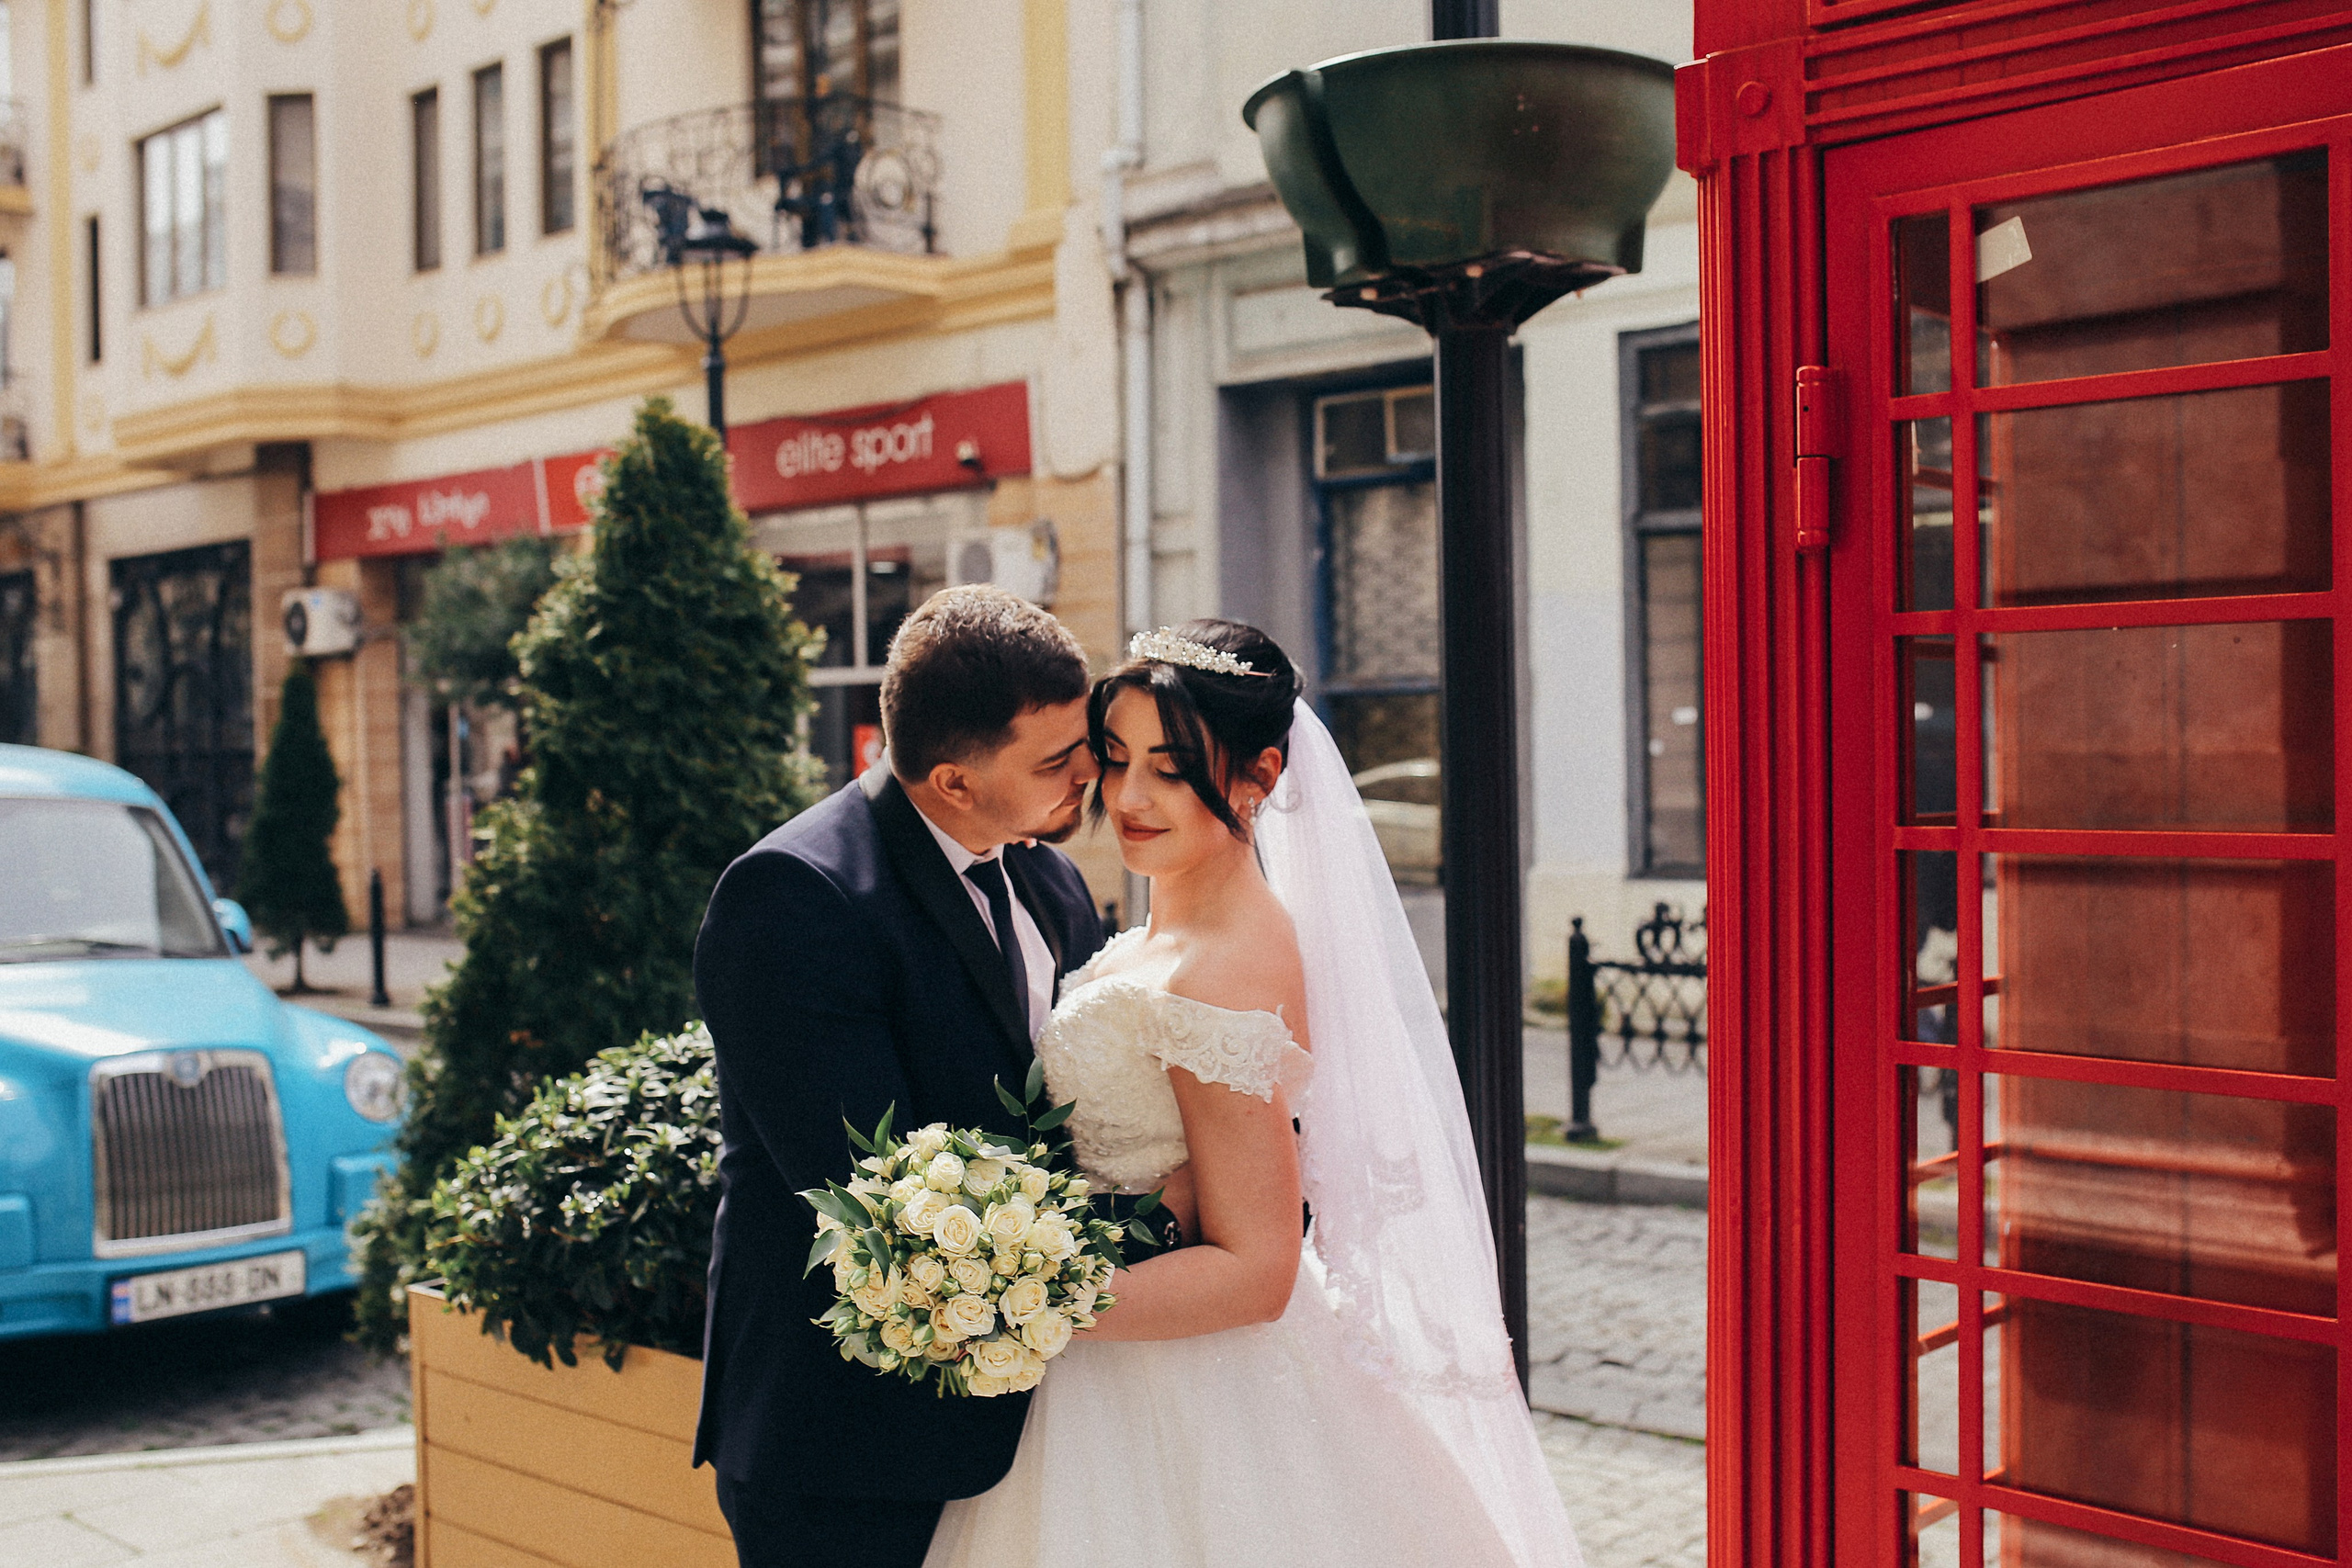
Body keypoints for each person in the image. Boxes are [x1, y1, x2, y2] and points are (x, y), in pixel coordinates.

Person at [924, 620, 1583, 1568]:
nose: (1131, 797)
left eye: (1170, 766)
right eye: (1115, 760)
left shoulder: (1225, 966)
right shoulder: (1164, 928)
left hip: (1187, 1382)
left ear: (1260, 775)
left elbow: (1258, 1269)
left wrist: (1025, 1302)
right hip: (1114, 1354)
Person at [692, 585, 1111, 1568]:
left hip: (1037, 1430)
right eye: (1056, 759)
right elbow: (873, 1193)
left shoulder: (1047, 876)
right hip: (845, 1445)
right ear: (954, 781)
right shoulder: (793, 897)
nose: (1090, 772)